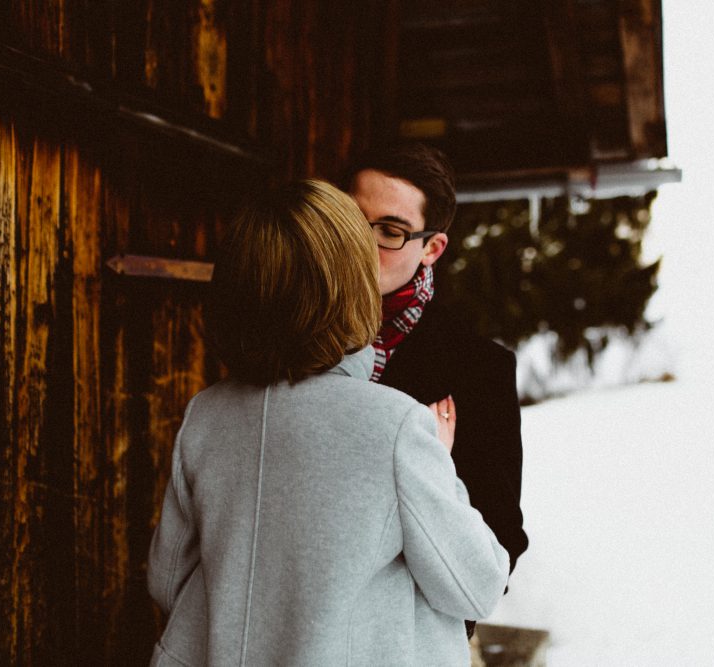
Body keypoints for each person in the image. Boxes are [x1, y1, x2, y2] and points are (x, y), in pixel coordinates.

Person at [146, 180, 509, 666]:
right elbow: (478, 584)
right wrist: (441, 465)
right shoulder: (395, 426)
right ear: (352, 285)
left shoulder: (206, 415)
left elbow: (166, 580)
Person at [345, 144, 529, 621]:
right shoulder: (288, 344)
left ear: (431, 248)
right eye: (349, 219)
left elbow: (499, 547)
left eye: (390, 231)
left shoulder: (476, 370)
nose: (361, 245)